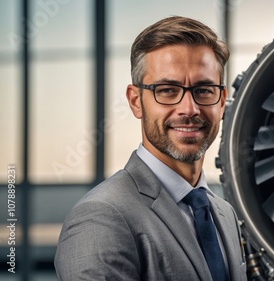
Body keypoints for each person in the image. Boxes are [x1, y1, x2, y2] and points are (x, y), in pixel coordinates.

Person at [54, 16, 247, 280]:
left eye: (203, 90)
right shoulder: (101, 217)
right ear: (135, 101)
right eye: (167, 90)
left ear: (222, 101)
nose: (189, 109)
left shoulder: (224, 214)